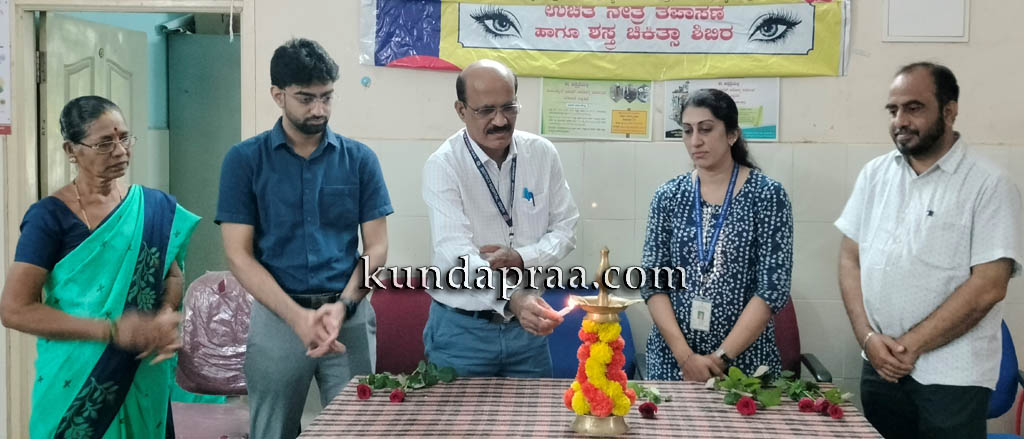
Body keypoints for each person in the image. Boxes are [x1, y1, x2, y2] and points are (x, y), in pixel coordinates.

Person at [216, 38, 392, 438]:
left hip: (348, 316)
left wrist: (343, 306)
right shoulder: (244, 161)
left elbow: (377, 247)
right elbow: (239, 255)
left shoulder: (360, 160)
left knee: (356, 430)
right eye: (306, 98)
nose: (319, 109)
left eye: (326, 97)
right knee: (272, 430)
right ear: (278, 95)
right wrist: (297, 317)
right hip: (278, 317)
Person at [836, 62, 1022, 439]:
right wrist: (867, 337)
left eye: (914, 108)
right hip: (880, 367)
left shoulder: (988, 184)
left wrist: (910, 347)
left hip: (952, 378)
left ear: (950, 111)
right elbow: (849, 258)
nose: (900, 120)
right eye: (893, 110)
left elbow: (989, 286)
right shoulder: (875, 175)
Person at [0, 96, 197, 438]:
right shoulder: (49, 218)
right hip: (75, 378)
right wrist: (111, 331)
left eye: (124, 138)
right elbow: (15, 309)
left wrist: (164, 314)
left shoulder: (151, 207)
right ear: (71, 150)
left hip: (141, 373)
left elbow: (172, 275)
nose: (120, 151)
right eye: (105, 143)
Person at [421, 59, 579, 378]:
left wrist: (523, 257)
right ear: (461, 110)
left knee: (533, 413)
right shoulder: (444, 165)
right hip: (463, 333)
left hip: (527, 334)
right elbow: (455, 253)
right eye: (486, 111)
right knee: (457, 414)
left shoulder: (542, 154)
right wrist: (512, 298)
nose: (500, 120)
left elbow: (566, 229)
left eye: (509, 107)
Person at [641, 88, 793, 382]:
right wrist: (686, 358)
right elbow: (653, 283)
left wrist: (720, 358)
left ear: (732, 134)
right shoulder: (669, 196)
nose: (695, 141)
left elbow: (772, 288)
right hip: (674, 362)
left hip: (745, 365)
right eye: (687, 131)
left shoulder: (767, 196)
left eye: (706, 129)